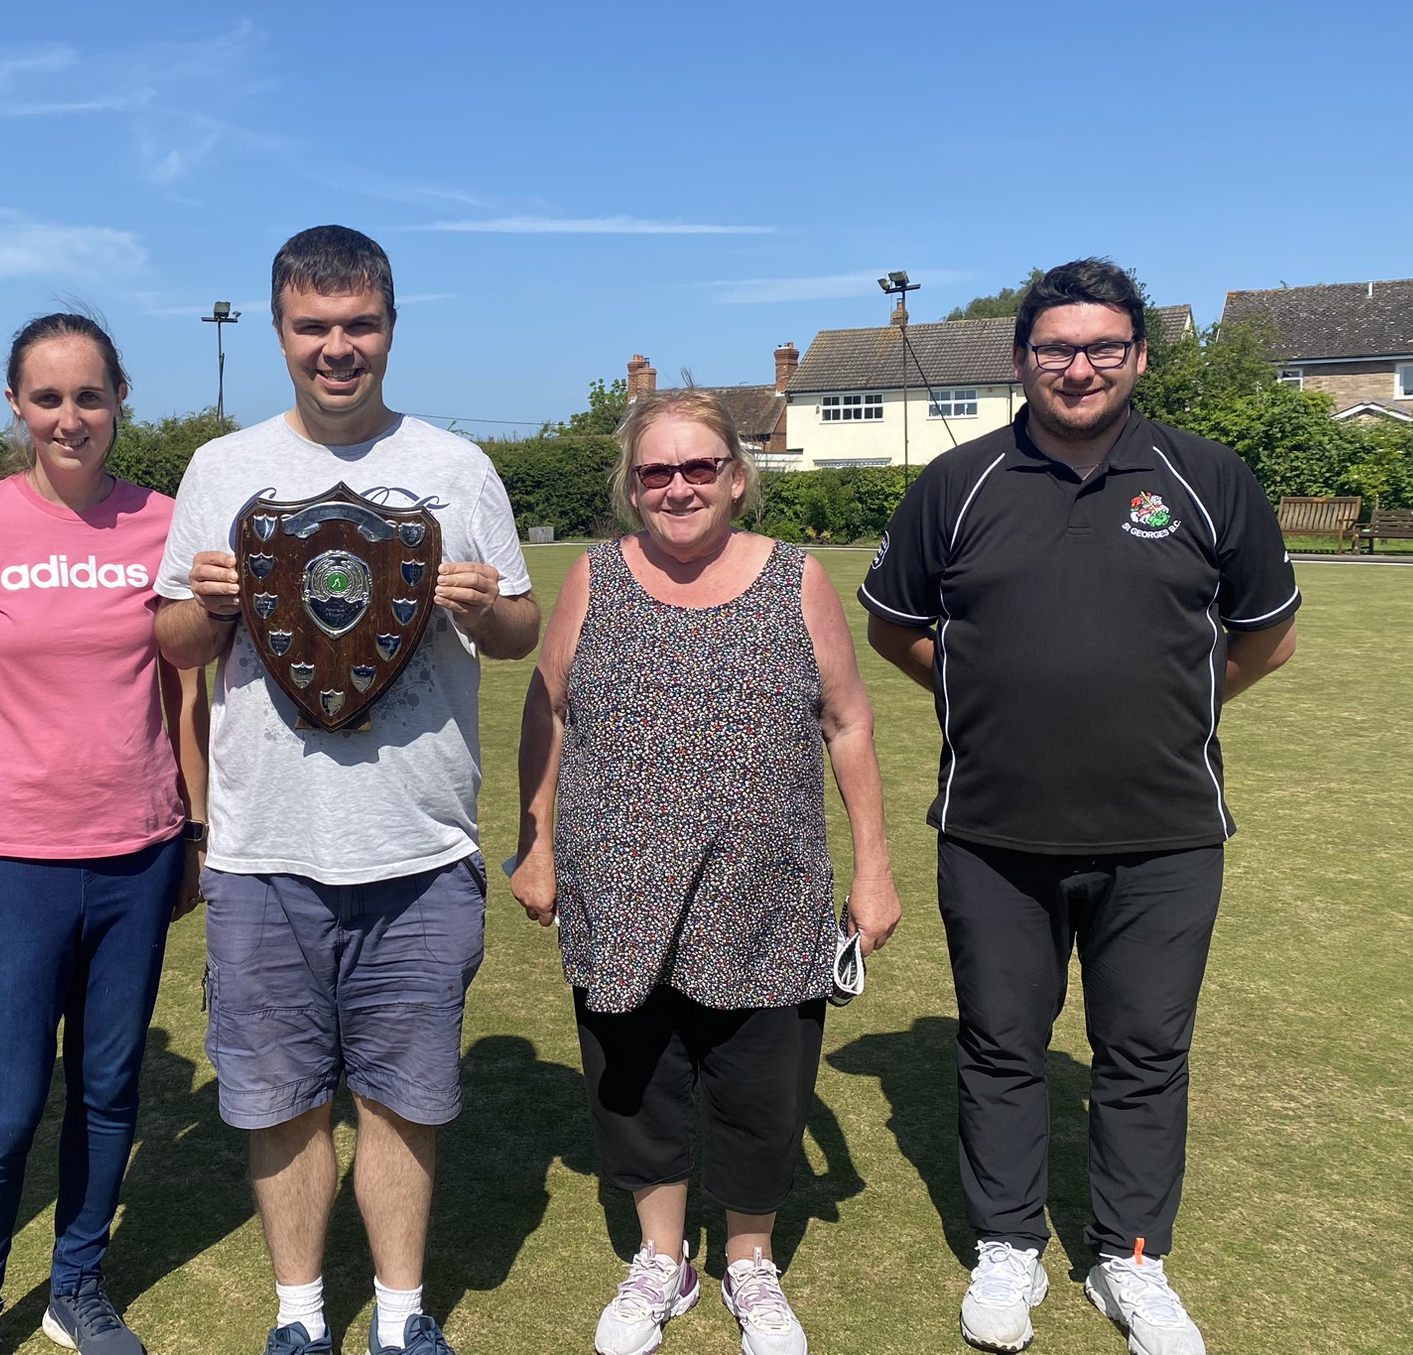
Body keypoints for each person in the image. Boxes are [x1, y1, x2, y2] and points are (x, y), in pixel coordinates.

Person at [859, 258, 1299, 1355]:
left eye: (1103, 345)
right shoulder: (954, 484)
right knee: (1003, 1046)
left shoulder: (1204, 476)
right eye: (1054, 347)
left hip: (1164, 832)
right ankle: (1007, 1246)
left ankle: (1130, 1259)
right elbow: (894, 627)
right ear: (1018, 361)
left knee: (1144, 1052)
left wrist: (1176, 707)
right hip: (993, 831)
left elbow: (1265, 634)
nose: (1078, 366)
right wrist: (993, 701)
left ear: (1138, 356)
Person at [155, 225, 540, 1355]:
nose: (337, 348)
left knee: (404, 1097)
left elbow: (516, 631)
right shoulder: (221, 470)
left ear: (389, 326)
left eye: (358, 325)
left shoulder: (455, 469)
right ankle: (297, 1312)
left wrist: (480, 605)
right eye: (313, 327)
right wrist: (212, 603)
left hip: (417, 843)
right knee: (275, 1100)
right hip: (264, 843)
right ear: (278, 330)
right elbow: (173, 641)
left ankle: (401, 1313)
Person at [511, 388, 901, 1355]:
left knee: (761, 1089)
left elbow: (847, 720)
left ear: (736, 476)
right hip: (620, 888)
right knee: (634, 1082)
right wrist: (537, 843)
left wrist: (875, 870)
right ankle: (662, 1258)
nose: (679, 487)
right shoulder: (595, 578)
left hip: (764, 891)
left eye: (699, 468)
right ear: (632, 486)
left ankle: (750, 1262)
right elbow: (548, 708)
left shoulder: (796, 578)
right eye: (657, 471)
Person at [0, 312, 210, 1355]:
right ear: (15, 406)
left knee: (109, 1087)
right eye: (48, 398)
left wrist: (194, 832)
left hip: (135, 851)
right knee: (2, 1106)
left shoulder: (166, 522)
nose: (70, 417)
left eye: (90, 396)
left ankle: (74, 1285)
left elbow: (186, 697)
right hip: (3, 860)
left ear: (119, 399)